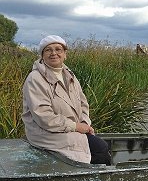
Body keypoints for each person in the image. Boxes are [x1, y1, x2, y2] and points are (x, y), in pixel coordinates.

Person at [22, 35, 111, 165]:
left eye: (58, 49)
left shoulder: (70, 75)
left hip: (70, 129)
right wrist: (75, 126)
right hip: (45, 133)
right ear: (42, 55)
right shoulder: (35, 79)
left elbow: (83, 103)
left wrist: (84, 124)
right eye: (48, 50)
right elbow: (43, 116)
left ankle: (94, 180)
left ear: (65, 54)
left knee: (100, 146)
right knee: (100, 148)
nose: (54, 53)